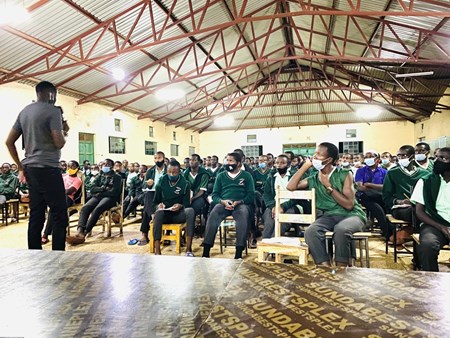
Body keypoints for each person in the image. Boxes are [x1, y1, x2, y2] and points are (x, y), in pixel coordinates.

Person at [5, 80, 69, 251]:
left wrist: (20, 166)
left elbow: (9, 141)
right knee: (59, 214)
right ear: (51, 95)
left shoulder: (24, 111)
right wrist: (63, 130)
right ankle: (58, 255)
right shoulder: (53, 111)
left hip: (30, 169)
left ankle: (34, 255)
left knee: (36, 213)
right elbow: (58, 142)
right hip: (48, 167)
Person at [287, 142, 367, 266]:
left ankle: (341, 269)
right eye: (314, 154)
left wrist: (328, 186)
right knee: (311, 232)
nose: (314, 157)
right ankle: (325, 269)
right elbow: (290, 186)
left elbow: (349, 205)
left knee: (341, 230)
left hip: (351, 215)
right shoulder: (313, 178)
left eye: (318, 154)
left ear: (329, 160)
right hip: (329, 216)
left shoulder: (344, 174)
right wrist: (305, 167)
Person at [202, 152, 255, 259]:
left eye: (231, 161)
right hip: (224, 203)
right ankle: (206, 250)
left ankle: (239, 252)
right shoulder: (221, 175)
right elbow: (215, 194)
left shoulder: (247, 176)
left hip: (240, 204)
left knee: (243, 215)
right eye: (227, 160)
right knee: (214, 213)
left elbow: (251, 195)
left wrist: (239, 202)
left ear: (239, 163)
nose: (228, 163)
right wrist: (222, 201)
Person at [410, 147, 450, 271]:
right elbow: (419, 212)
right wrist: (441, 227)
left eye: (444, 158)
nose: (438, 161)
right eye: (437, 157)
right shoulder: (425, 181)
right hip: (435, 224)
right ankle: (431, 281)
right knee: (428, 245)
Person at [66, 158, 122, 245]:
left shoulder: (117, 177)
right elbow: (92, 189)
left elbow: (113, 192)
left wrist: (99, 191)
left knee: (97, 209)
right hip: (98, 196)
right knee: (85, 208)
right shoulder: (100, 175)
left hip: (110, 199)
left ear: (111, 166)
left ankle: (84, 233)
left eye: (106, 165)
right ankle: (79, 231)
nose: (104, 166)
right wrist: (102, 189)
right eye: (103, 164)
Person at [382, 145, 429, 241]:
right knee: (416, 212)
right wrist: (401, 202)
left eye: (403, 156)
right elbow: (386, 196)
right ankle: (417, 237)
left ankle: (408, 234)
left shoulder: (425, 173)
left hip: (420, 206)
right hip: (401, 208)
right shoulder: (392, 173)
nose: (400, 158)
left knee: (426, 211)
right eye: (398, 156)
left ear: (412, 157)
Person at [152, 160, 195, 256]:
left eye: (174, 172)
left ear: (179, 172)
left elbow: (187, 204)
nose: (172, 174)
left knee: (190, 211)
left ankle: (188, 249)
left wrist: (180, 205)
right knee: (158, 213)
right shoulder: (161, 181)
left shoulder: (185, 183)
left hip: (178, 214)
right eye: (169, 172)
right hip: (165, 214)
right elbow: (155, 202)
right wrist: (158, 206)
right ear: (166, 171)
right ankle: (157, 251)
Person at [42, 160, 82, 244]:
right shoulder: (64, 176)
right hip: (59, 196)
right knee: (53, 210)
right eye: (69, 166)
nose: (70, 168)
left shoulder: (78, 180)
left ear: (77, 169)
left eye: (73, 166)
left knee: (53, 210)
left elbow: (69, 191)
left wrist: (58, 189)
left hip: (68, 198)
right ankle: (48, 234)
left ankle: (45, 235)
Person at [262, 154, 299, 238]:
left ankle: (272, 244)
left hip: (292, 205)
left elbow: (297, 197)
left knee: (284, 220)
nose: (279, 165)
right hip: (274, 205)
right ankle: (266, 242)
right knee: (269, 221)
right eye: (277, 163)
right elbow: (267, 195)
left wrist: (282, 206)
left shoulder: (294, 176)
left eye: (282, 163)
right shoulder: (272, 177)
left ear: (288, 164)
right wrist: (273, 206)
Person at [355, 151, 388, 235]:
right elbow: (360, 187)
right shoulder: (361, 170)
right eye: (366, 157)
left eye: (371, 156)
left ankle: (388, 230)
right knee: (378, 209)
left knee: (386, 208)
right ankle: (387, 232)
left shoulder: (384, 172)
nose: (368, 158)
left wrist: (369, 185)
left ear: (377, 159)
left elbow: (385, 187)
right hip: (365, 196)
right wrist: (377, 187)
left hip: (380, 196)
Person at [139, 151, 167, 245]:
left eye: (159, 158)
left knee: (146, 209)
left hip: (165, 194)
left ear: (163, 158)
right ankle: (153, 216)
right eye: (155, 158)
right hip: (152, 194)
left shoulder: (169, 169)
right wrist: (148, 184)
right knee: (148, 195)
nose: (157, 160)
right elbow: (143, 186)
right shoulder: (150, 171)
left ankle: (144, 233)